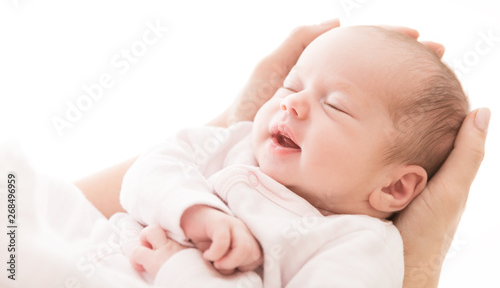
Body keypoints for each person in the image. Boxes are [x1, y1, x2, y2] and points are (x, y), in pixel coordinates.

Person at [74, 19, 490, 288]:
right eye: (292, 85)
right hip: (69, 253)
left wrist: (183, 271)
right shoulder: (235, 143)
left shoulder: (357, 245)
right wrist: (196, 213)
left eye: (336, 105)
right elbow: (149, 172)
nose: (292, 104)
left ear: (396, 186)